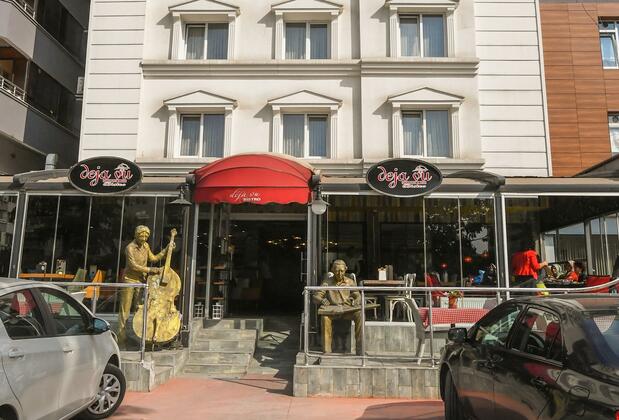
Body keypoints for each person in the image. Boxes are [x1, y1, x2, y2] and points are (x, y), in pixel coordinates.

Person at [117, 225, 171, 346]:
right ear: (136, 235)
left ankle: (139, 337)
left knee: (139, 309)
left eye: (146, 236)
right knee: (125, 311)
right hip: (129, 280)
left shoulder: (146, 246)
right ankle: (121, 339)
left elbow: (154, 258)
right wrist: (150, 270)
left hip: (141, 281)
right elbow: (133, 266)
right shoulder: (130, 248)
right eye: (142, 235)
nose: (144, 238)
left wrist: (166, 249)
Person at [312, 260, 363, 354]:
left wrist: (354, 300)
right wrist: (322, 300)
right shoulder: (327, 282)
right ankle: (327, 351)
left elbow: (358, 296)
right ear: (332, 270)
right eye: (337, 271)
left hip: (347, 310)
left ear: (346, 269)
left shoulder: (350, 282)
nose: (339, 274)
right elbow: (316, 296)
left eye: (342, 271)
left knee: (360, 314)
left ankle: (360, 350)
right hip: (333, 311)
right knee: (325, 318)